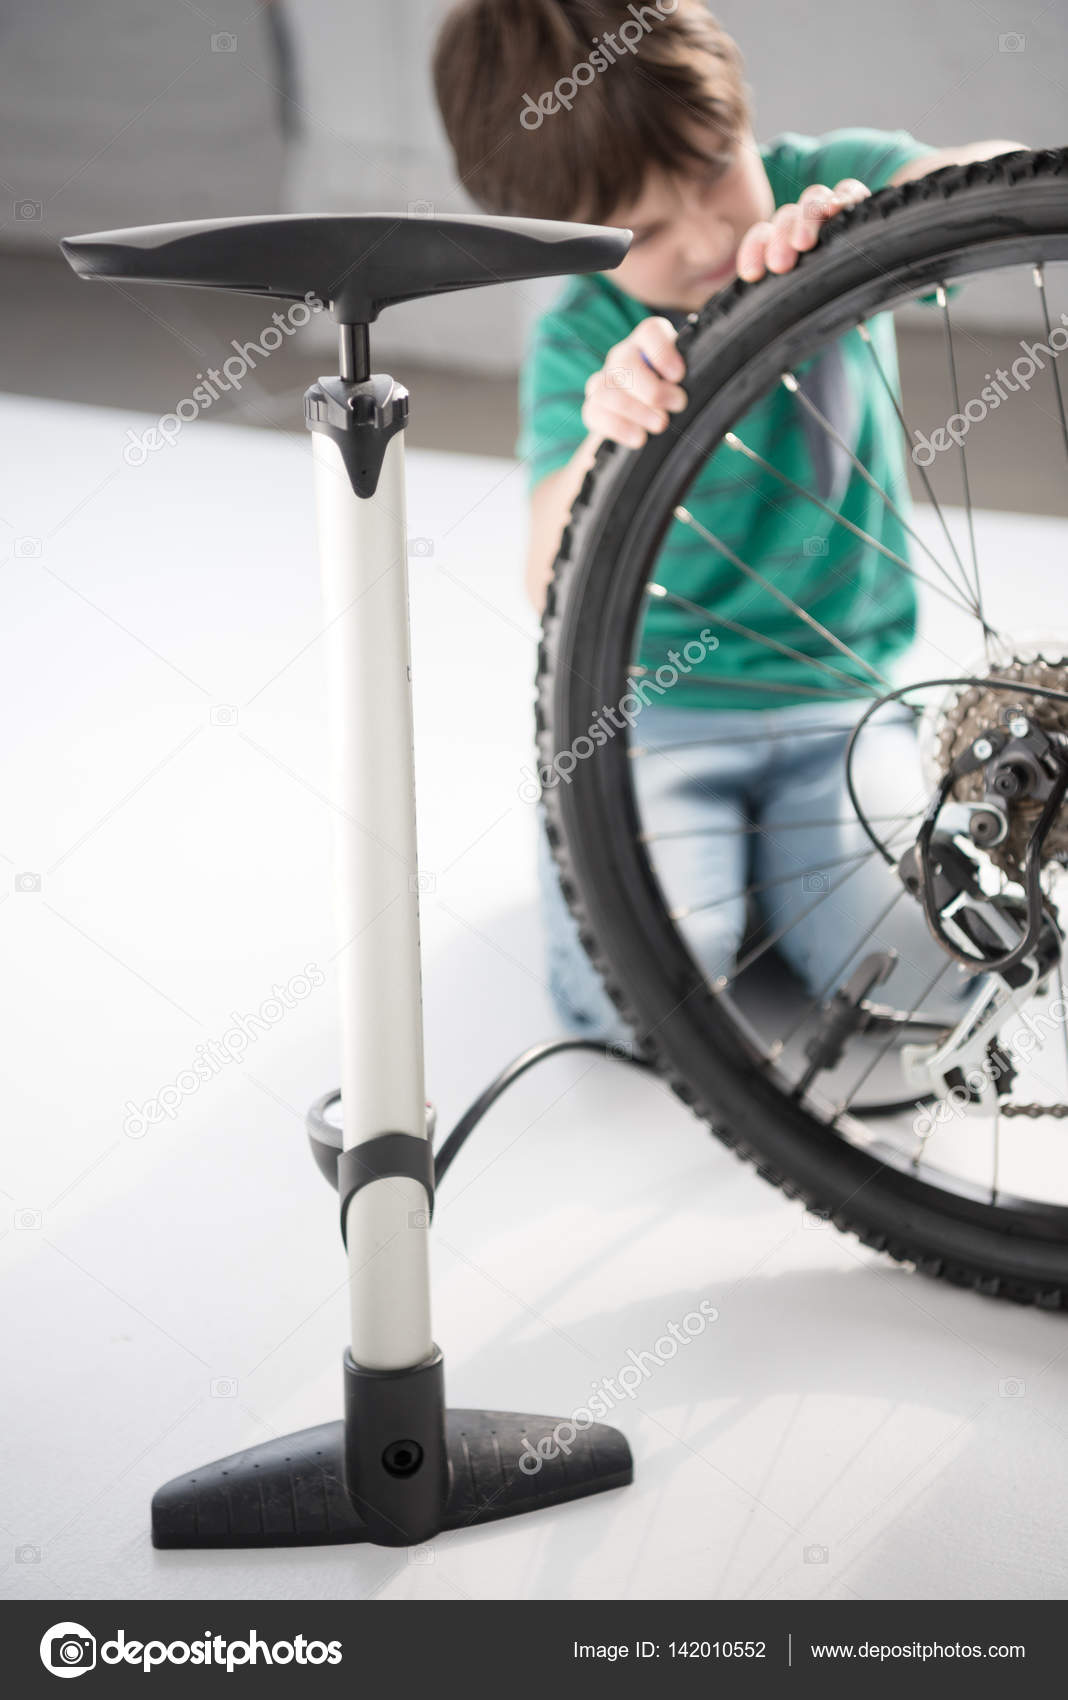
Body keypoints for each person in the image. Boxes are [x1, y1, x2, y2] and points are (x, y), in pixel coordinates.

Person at [433, 0, 1020, 1041]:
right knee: (650, 1003)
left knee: (931, 970)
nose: (707, 237)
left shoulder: (817, 188)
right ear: (561, 241)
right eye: (643, 228)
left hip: (837, 699)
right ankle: (608, 833)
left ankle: (757, 865)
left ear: (743, 118)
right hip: (654, 717)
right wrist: (610, 437)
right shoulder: (585, 333)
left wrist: (880, 226)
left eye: (714, 170)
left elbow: (999, 177)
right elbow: (541, 576)